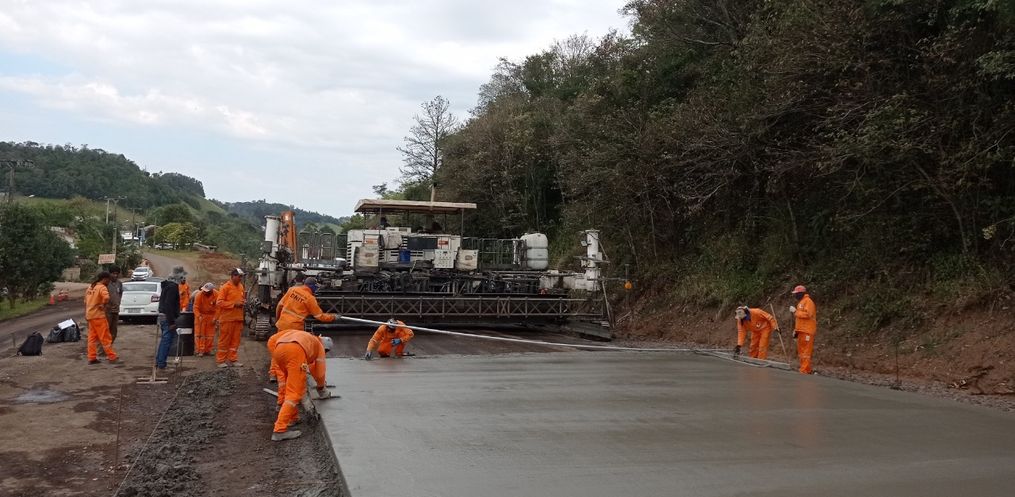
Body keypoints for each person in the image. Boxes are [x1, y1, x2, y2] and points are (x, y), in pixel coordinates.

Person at [269, 329, 333, 441]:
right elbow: (320, 373)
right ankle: (279, 430)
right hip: (295, 352)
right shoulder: (319, 347)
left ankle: (292, 418)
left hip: (279, 350)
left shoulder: (309, 339)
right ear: (325, 347)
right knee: (294, 393)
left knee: (290, 386)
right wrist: (321, 388)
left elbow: (312, 369)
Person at [85, 271, 118, 364]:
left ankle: (91, 357)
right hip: (98, 316)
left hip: (90, 315)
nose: (109, 282)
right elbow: (106, 298)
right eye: (108, 280)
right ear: (105, 279)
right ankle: (112, 357)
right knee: (105, 337)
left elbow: (85, 301)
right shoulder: (102, 287)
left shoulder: (90, 287)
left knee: (92, 338)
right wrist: (103, 304)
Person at [216, 268, 246, 368]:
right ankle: (221, 360)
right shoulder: (225, 287)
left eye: (241, 276)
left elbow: (240, 299)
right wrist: (234, 304)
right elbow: (219, 302)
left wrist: (242, 303)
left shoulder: (241, 286)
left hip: (238, 318)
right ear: (233, 276)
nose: (240, 278)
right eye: (239, 276)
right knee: (224, 341)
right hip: (227, 319)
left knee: (235, 341)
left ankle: (233, 359)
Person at [155, 270, 182, 369]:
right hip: (167, 317)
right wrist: (171, 322)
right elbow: (169, 304)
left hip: (163, 316)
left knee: (164, 340)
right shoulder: (173, 287)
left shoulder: (166, 286)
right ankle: (161, 363)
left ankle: (159, 361)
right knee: (166, 341)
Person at [790, 285, 818, 374]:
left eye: (796, 293)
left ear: (801, 293)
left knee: (806, 352)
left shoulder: (808, 302)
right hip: (801, 331)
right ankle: (805, 369)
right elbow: (799, 319)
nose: (795, 295)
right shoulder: (801, 302)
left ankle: (804, 370)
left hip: (807, 331)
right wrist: (796, 330)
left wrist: (795, 311)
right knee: (802, 352)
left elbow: (808, 314)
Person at [193, 283, 218, 356]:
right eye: (204, 290)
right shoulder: (199, 295)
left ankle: (208, 350)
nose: (204, 292)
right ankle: (199, 350)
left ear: (211, 291)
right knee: (199, 334)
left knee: (210, 335)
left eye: (206, 291)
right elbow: (195, 307)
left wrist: (216, 318)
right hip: (201, 316)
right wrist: (198, 315)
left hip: (211, 316)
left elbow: (219, 308)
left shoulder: (217, 294)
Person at [106, 267, 123, 343]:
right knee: (106, 331)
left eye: (117, 274)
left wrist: (118, 303)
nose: (115, 275)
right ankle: (103, 349)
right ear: (110, 274)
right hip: (107, 311)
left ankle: (109, 347)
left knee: (114, 332)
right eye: (113, 273)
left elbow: (120, 294)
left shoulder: (119, 283)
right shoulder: (106, 283)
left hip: (116, 311)